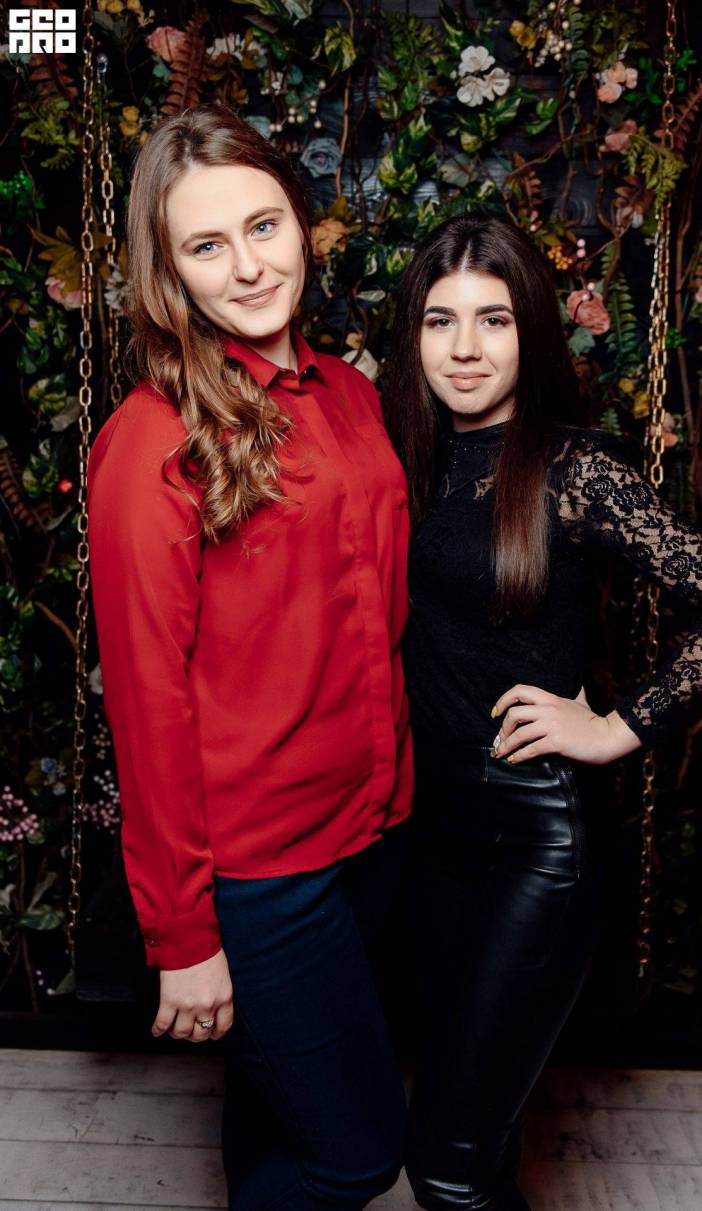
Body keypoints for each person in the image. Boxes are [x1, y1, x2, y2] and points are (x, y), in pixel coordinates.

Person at [382, 212, 702, 1210]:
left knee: (445, 1166)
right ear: (413, 335)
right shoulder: (404, 458)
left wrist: (612, 726)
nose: (464, 348)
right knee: (483, 1134)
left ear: (532, 331)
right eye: (440, 320)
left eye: (494, 320)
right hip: (431, 836)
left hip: (536, 845)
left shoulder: (571, 470)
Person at [87, 104, 413, 1211]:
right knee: (355, 1152)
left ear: (301, 223)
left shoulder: (350, 394)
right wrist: (183, 934)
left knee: (277, 1115)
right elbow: (146, 702)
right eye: (206, 245)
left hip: (372, 830)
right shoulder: (152, 440)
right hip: (263, 872)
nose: (248, 266)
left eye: (264, 226)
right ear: (168, 271)